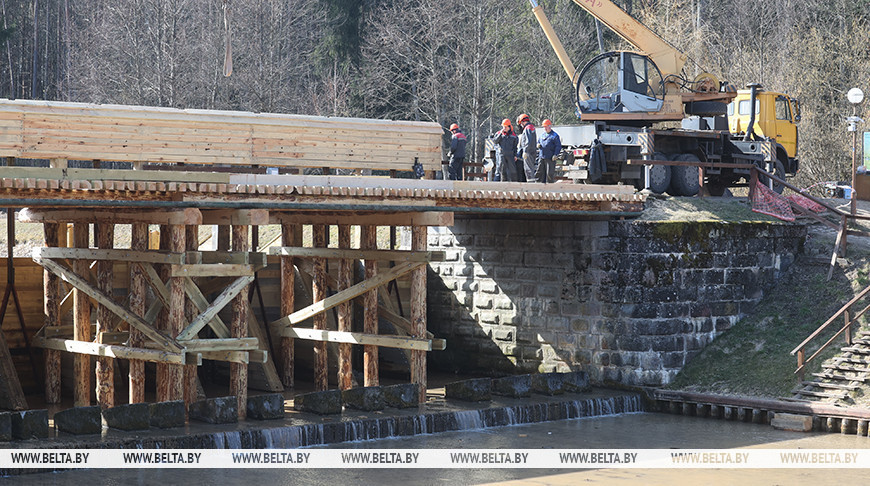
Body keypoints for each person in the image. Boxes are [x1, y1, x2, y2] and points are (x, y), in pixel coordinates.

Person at [536, 119, 561, 183]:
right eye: (544, 127)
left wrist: (555, 154)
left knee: (549, 174)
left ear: (550, 126)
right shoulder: (542, 135)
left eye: (546, 127)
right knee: (540, 172)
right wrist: (538, 145)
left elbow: (558, 146)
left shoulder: (554, 136)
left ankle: (550, 186)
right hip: (542, 157)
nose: (545, 128)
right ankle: (539, 185)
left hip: (550, 158)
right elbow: (538, 142)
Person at [516, 113, 537, 182]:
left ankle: (530, 184)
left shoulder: (527, 128)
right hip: (532, 151)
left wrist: (525, 151)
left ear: (522, 121)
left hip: (528, 152)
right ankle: (531, 182)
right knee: (531, 167)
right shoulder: (531, 127)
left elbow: (528, 141)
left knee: (528, 168)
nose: (521, 125)